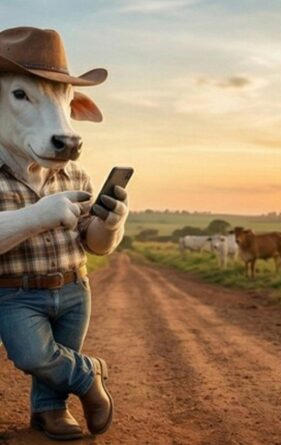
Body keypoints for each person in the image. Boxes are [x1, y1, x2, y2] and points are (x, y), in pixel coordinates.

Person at [0, 27, 127, 440]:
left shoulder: (73, 172)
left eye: (66, 102)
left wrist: (111, 223)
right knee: (36, 354)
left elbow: (95, 244)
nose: (65, 129)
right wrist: (40, 215)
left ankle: (49, 413)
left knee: (59, 355)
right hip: (15, 290)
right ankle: (90, 377)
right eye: (22, 95)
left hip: (75, 287)